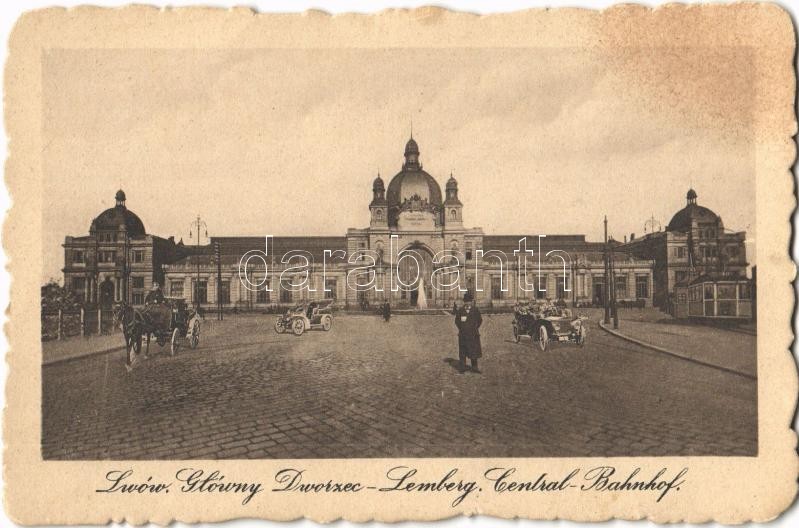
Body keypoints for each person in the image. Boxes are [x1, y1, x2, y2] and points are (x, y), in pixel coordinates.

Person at [454, 291, 482, 374]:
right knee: (462, 351)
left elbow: (480, 320)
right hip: (463, 335)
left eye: (469, 301)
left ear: (471, 301)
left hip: (473, 334)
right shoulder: (460, 310)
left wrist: (474, 328)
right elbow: (457, 321)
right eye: (466, 301)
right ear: (464, 302)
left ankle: (475, 367)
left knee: (474, 351)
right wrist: (462, 329)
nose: (468, 303)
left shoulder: (475, 310)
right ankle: (462, 367)